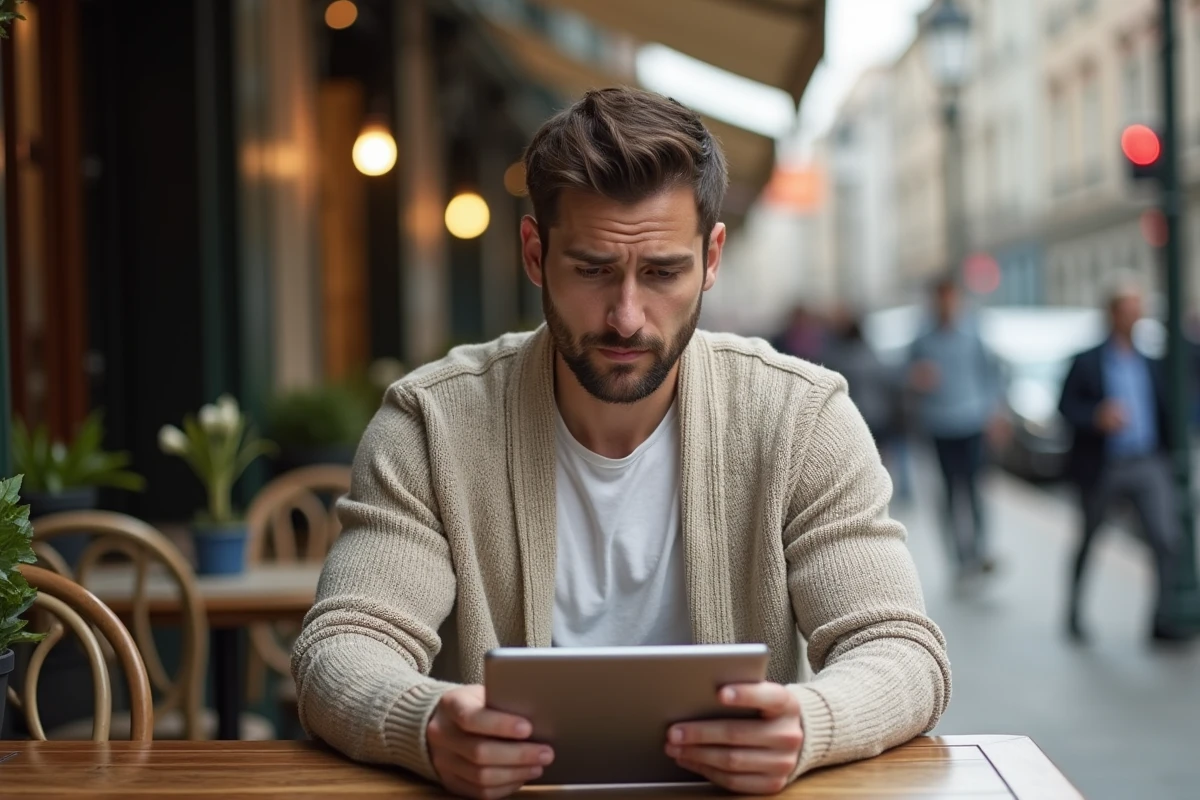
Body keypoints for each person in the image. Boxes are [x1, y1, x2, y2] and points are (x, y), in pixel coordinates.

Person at [292, 88, 951, 799]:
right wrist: (423, 724)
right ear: (535, 253)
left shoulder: (800, 418)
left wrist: (810, 723)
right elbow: (341, 646)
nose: (627, 317)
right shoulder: (432, 424)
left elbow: (901, 649)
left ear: (712, 257)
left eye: (663, 272)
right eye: (593, 269)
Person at [1058, 284, 1192, 643]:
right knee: (1090, 538)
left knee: (1166, 538)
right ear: (1112, 314)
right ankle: (1074, 612)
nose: (1135, 316)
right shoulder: (1087, 361)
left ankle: (1161, 620)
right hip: (1104, 463)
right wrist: (1096, 416)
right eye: (1128, 309)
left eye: (1138, 309)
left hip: (1147, 462)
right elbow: (1065, 407)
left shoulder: (1151, 362)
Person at [908, 279, 1007, 587]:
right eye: (942, 299)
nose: (947, 305)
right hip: (940, 424)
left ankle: (980, 552)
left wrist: (995, 412)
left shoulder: (974, 331)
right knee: (950, 493)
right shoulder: (922, 338)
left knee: (975, 489)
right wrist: (917, 378)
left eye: (951, 298)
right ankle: (959, 560)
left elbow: (992, 373)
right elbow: (906, 375)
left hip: (972, 420)